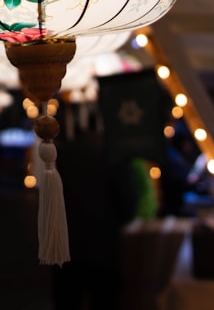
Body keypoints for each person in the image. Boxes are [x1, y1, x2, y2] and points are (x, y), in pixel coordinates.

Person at [50, 116, 142, 310]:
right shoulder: (114, 156)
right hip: (104, 248)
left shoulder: (64, 155)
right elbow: (128, 203)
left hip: (67, 247)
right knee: (104, 301)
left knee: (67, 301)